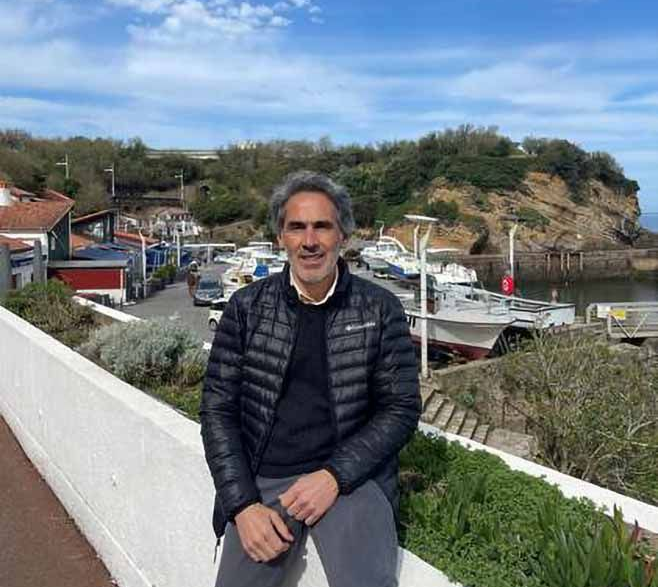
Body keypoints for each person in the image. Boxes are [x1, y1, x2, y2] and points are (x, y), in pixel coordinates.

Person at [200, 171, 421, 587]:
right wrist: (242, 505)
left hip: (350, 477)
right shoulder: (246, 308)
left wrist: (335, 475)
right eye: (296, 227)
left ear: (343, 235)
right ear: (280, 237)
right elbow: (217, 410)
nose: (309, 240)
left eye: (322, 226)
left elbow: (401, 408)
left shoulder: (380, 309)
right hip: (264, 478)